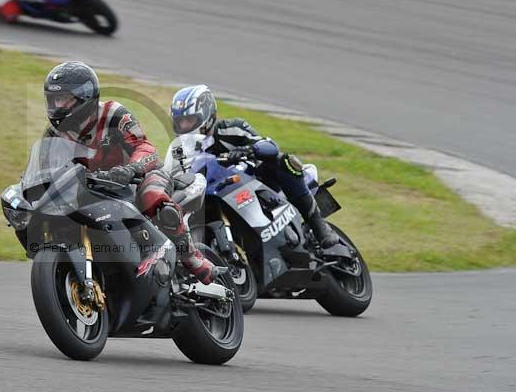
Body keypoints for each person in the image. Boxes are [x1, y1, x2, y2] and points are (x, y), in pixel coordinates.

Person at [43, 61, 219, 284]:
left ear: (83, 98)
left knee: (152, 196)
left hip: (140, 177)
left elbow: (145, 148)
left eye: (63, 99)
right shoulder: (54, 134)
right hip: (94, 188)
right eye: (53, 100)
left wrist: (130, 169)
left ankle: (193, 259)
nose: (57, 106)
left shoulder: (113, 114)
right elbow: (46, 167)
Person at [170, 84, 339, 248]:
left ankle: (320, 228)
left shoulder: (232, 128)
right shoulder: (179, 150)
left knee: (286, 161)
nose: (184, 126)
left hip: (257, 182)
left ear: (206, 115)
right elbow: (173, 174)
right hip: (216, 192)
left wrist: (248, 149)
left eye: (189, 120)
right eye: (180, 122)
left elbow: (270, 146)